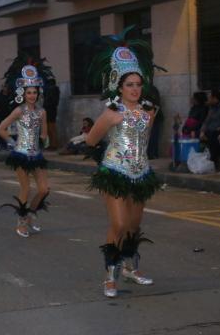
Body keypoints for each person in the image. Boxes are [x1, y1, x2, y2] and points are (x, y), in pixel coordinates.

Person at [85, 37, 160, 298]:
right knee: (118, 223)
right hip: (115, 172)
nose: (135, 89)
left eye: (138, 84)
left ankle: (130, 267)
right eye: (129, 85)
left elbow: (146, 140)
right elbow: (91, 140)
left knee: (133, 226)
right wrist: (106, 161)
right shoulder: (111, 113)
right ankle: (109, 276)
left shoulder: (149, 112)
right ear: (119, 85)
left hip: (141, 174)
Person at [0, 56, 53, 238]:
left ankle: (29, 215)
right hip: (20, 153)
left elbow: (44, 134)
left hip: (36, 155)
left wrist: (45, 140)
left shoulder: (42, 112)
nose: (32, 95)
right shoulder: (18, 111)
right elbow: (1, 129)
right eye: (29, 93)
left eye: (34, 92)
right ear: (23, 93)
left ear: (38, 93)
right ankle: (21, 223)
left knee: (44, 189)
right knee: (26, 189)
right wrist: (13, 144)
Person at [200, 90, 220, 170]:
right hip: (210, 130)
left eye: (210, 98)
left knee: (215, 137)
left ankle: (216, 160)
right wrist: (202, 131)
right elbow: (207, 120)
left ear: (215, 98)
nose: (208, 100)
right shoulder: (212, 107)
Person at [43, 79, 60, 150]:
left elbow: (52, 101)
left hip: (51, 111)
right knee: (49, 129)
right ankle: (51, 144)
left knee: (51, 128)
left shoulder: (53, 90)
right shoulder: (52, 90)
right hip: (49, 111)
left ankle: (54, 145)